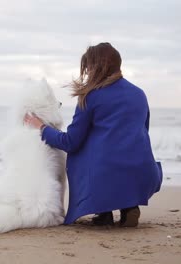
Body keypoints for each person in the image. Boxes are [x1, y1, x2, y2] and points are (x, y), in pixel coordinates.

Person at [24, 42, 162, 227]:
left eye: (88, 67)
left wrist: (42, 127)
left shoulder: (91, 96)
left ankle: (104, 211)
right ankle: (128, 207)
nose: (87, 72)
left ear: (97, 66)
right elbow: (142, 131)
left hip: (106, 177)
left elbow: (70, 142)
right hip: (143, 174)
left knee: (81, 153)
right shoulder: (139, 94)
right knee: (121, 143)